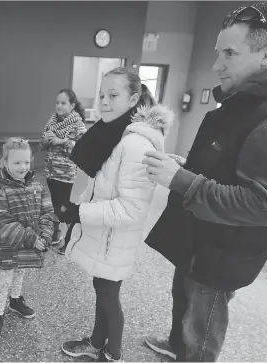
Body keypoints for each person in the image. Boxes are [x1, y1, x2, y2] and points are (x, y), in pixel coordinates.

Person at [142, 3, 267, 361]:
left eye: (229, 53)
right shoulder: (249, 101)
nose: (216, 64)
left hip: (225, 249)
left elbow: (260, 204)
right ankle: (178, 346)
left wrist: (182, 180)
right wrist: (189, 167)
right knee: (184, 296)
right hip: (202, 237)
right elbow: (229, 161)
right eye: (218, 52)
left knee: (204, 318)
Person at [58, 67, 175, 362]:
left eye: (113, 95)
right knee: (102, 288)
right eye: (101, 95)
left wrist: (78, 213)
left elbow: (131, 208)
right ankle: (97, 342)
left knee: (109, 296)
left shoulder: (135, 144)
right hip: (107, 235)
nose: (104, 102)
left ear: (133, 98)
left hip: (115, 238)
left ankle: (113, 354)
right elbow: (104, 185)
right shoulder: (116, 134)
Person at [0, 137, 54, 343]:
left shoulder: (37, 185)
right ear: (4, 163)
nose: (22, 167)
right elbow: (0, 222)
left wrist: (46, 234)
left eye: (26, 162)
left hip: (29, 246)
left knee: (20, 272)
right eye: (16, 163)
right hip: (10, 247)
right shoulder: (0, 190)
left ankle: (15, 301)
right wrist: (31, 238)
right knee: (5, 280)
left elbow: (46, 211)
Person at [40, 89, 87, 253]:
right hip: (51, 172)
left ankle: (71, 241)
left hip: (67, 175)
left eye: (63, 103)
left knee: (67, 209)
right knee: (54, 205)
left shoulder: (78, 124)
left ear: (72, 105)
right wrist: (46, 141)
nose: (58, 106)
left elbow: (83, 149)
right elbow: (42, 145)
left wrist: (61, 141)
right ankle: (55, 235)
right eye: (57, 102)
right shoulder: (52, 122)